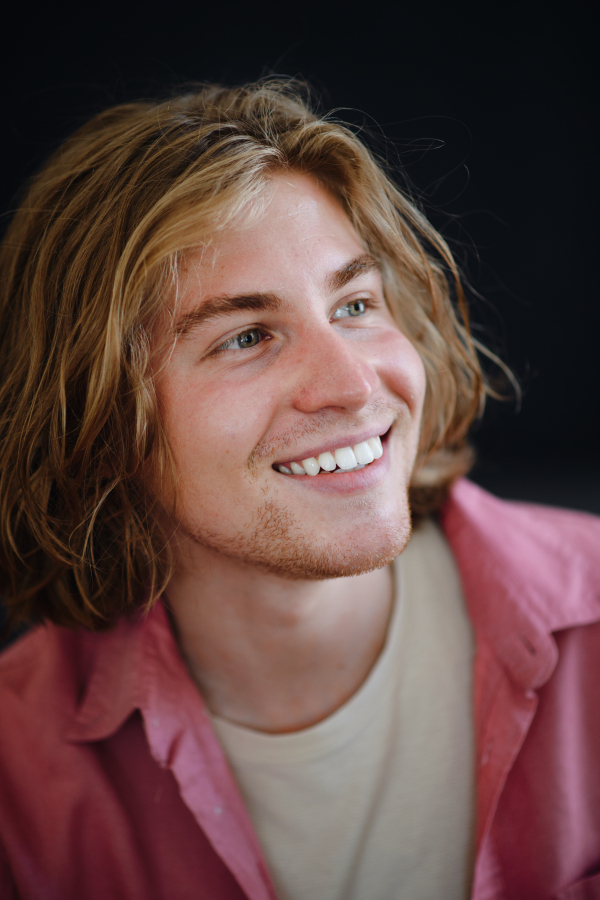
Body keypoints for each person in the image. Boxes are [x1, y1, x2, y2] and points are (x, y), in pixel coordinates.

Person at [0, 80, 598, 900]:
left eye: (356, 304)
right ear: (99, 422)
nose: (354, 385)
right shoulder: (16, 777)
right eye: (246, 336)